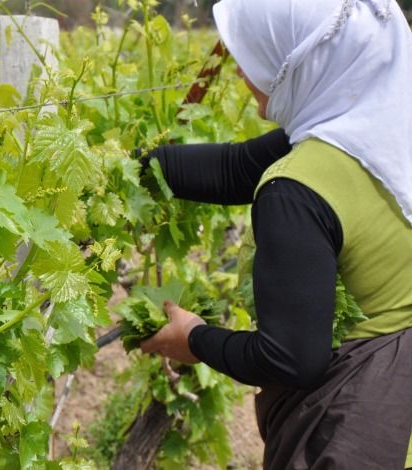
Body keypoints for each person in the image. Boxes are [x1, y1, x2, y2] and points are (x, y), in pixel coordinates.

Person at [137, 0, 412, 468]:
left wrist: (195, 338)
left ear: (304, 60)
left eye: (261, 58)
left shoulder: (295, 193)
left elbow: (290, 360)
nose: (243, 75)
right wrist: (132, 168)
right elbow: (236, 167)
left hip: (356, 427)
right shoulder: (378, 119)